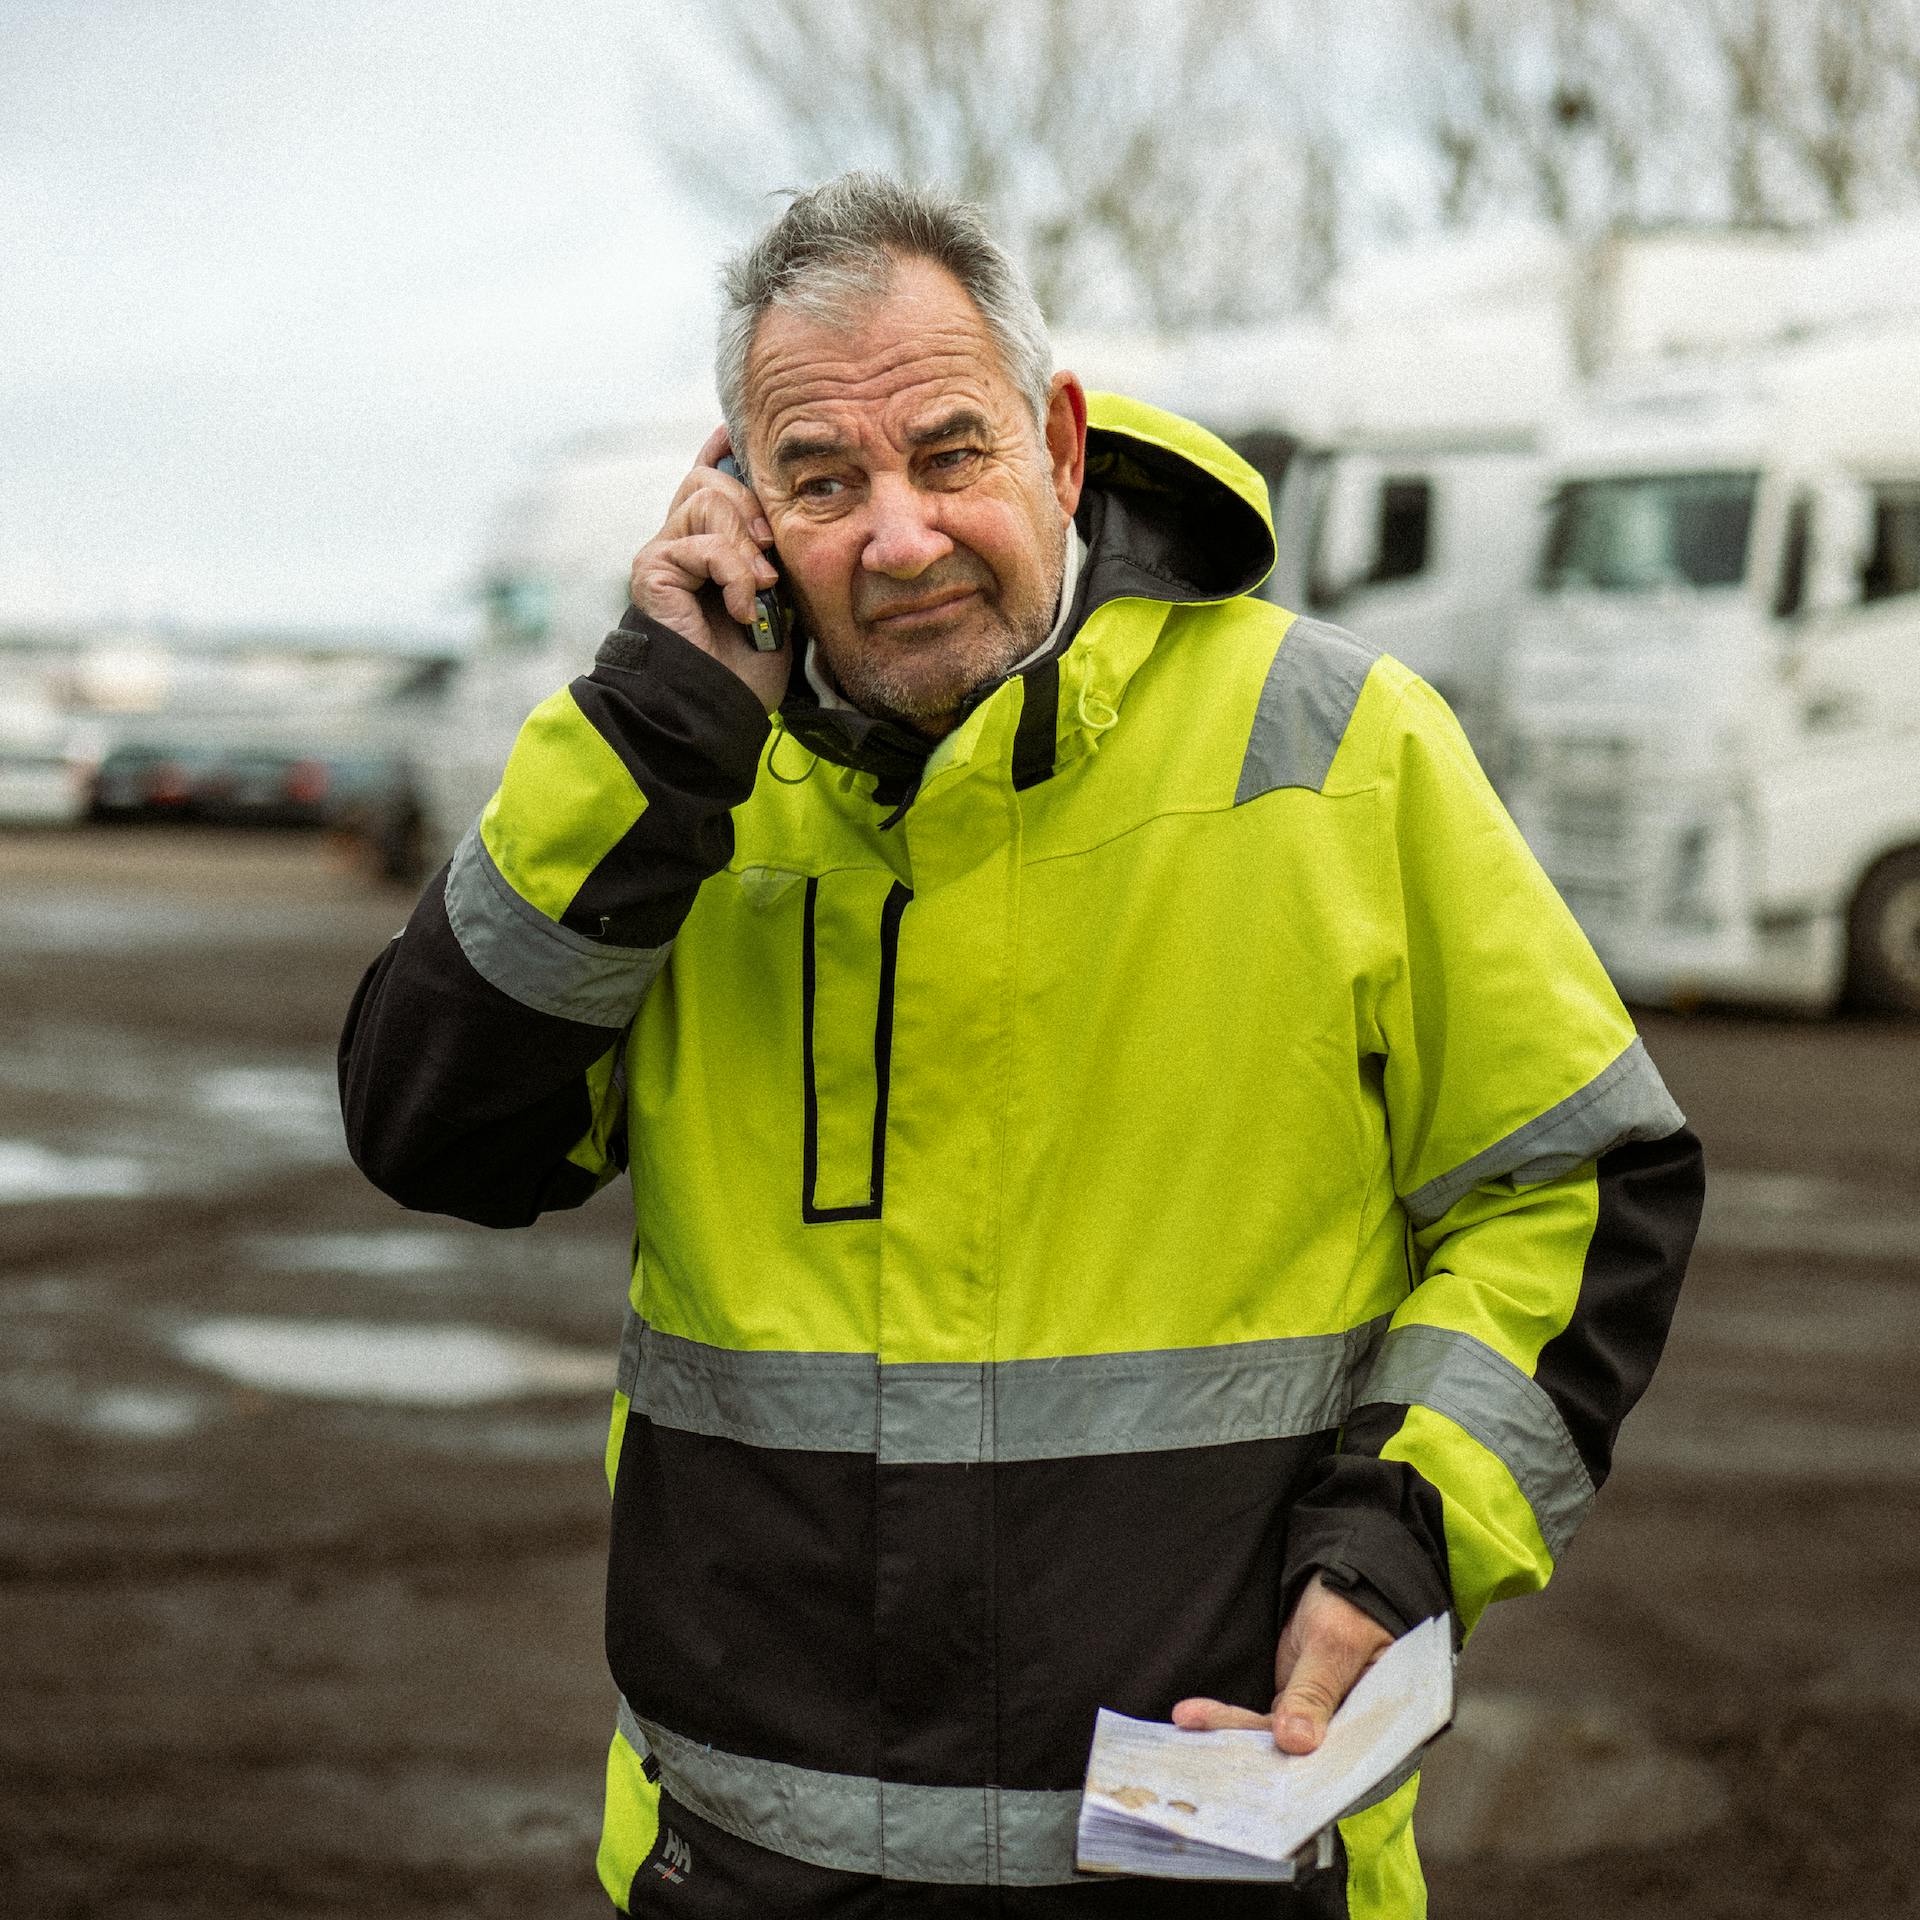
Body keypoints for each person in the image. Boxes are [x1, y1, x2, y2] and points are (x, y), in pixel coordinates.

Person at [339, 172, 1704, 1917]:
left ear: (1060, 445)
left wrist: (1401, 1540)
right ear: (739, 505)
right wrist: (654, 733)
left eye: (948, 452)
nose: (894, 535)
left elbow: (1574, 1184)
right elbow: (432, 1129)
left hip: (1205, 1848)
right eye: (820, 480)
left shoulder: (1339, 748)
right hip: (750, 1866)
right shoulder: (677, 784)